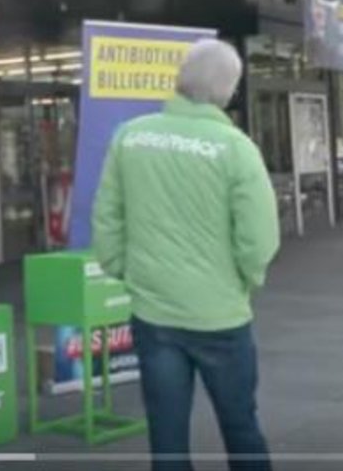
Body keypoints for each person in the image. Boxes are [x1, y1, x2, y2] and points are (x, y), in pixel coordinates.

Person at [92, 39, 280, 471]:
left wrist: (123, 270)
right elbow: (259, 238)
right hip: (221, 316)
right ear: (229, 91)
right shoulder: (236, 148)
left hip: (153, 313)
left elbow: (106, 219)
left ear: (179, 79)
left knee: (166, 436)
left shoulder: (131, 137)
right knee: (241, 427)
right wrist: (245, 279)